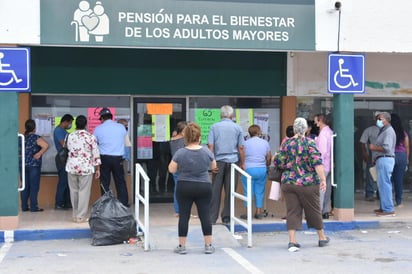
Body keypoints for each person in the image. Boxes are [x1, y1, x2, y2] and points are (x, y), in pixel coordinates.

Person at [273, 117, 329, 252]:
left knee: (292, 211)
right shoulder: (310, 143)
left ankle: (292, 241)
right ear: (305, 129)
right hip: (308, 183)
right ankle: (321, 238)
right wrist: (323, 179)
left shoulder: (286, 143)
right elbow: (317, 163)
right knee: (314, 209)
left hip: (289, 182)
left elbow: (278, 161)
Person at [168, 122, 217, 254]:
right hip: (204, 186)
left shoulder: (180, 152)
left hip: (185, 185)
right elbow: (213, 167)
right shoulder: (206, 151)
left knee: (184, 216)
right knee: (205, 215)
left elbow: (171, 169)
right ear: (199, 137)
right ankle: (208, 245)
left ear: (186, 138)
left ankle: (182, 246)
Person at [208, 105, 245, 224]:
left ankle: (212, 218)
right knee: (230, 191)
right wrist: (242, 163)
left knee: (215, 190)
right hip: (233, 161)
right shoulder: (237, 127)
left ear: (221, 115)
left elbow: (210, 146)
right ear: (231, 115)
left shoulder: (214, 127)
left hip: (218, 161)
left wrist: (211, 163)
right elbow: (240, 147)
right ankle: (226, 217)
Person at [66, 115, 101, 223]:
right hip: (85, 167)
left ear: (76, 124)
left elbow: (68, 148)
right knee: (84, 192)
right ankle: (81, 216)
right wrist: (98, 169)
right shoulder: (90, 137)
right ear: (86, 125)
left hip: (72, 166)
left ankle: (75, 215)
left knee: (74, 191)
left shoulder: (69, 136)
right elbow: (95, 154)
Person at [94, 108, 129, 207]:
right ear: (111, 117)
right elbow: (125, 140)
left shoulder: (98, 129)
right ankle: (123, 203)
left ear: (102, 118)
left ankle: (106, 204)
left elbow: (94, 144)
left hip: (104, 158)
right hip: (118, 158)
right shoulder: (121, 127)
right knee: (120, 181)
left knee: (105, 182)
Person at [240, 125, 271, 220]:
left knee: (247, 191)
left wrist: (243, 164)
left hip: (248, 169)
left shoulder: (245, 143)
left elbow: (241, 154)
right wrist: (267, 165)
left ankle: (248, 213)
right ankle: (258, 212)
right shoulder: (265, 143)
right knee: (260, 191)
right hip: (261, 169)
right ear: (259, 132)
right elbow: (269, 157)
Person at [369, 112, 396, 216]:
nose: (378, 121)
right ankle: (384, 207)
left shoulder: (388, 131)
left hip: (385, 159)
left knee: (385, 184)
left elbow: (387, 148)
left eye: (380, 119)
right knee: (381, 185)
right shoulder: (384, 130)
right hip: (381, 159)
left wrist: (373, 148)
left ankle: (388, 209)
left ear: (386, 119)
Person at [20, 119, 49, 212]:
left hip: (23, 165)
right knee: (34, 186)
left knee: (24, 186)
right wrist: (39, 153)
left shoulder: (21, 137)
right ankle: (33, 207)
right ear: (34, 128)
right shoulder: (36, 138)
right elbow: (46, 145)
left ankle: (24, 206)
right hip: (33, 165)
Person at [314, 113, 333, 219]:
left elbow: (322, 152)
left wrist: (317, 164)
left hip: (322, 165)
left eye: (316, 121)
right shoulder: (330, 132)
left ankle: (318, 211)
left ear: (320, 120)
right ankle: (325, 210)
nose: (315, 123)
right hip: (329, 165)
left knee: (320, 189)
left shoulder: (323, 134)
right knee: (327, 189)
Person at [54, 114, 74, 210]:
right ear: (65, 121)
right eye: (70, 123)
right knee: (63, 181)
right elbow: (63, 144)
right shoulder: (59, 130)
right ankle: (59, 202)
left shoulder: (64, 131)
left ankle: (66, 202)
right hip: (62, 159)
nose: (70, 125)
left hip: (66, 158)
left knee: (67, 182)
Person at [359, 112, 380, 201]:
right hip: (372, 155)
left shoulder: (386, 130)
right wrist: (364, 153)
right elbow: (362, 142)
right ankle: (369, 193)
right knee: (370, 174)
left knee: (381, 176)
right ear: (374, 119)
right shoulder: (369, 130)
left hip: (383, 156)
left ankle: (380, 194)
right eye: (378, 119)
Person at [390, 113, 409, 207]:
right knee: (399, 180)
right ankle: (399, 201)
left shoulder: (389, 132)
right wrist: (407, 159)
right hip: (402, 156)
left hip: (391, 156)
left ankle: (389, 200)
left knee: (388, 179)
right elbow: (407, 147)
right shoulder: (403, 133)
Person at [169, 121, 188, 216]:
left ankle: (178, 211)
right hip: (183, 167)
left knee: (177, 188)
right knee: (185, 189)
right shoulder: (184, 140)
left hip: (174, 165)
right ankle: (183, 210)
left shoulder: (172, 139)